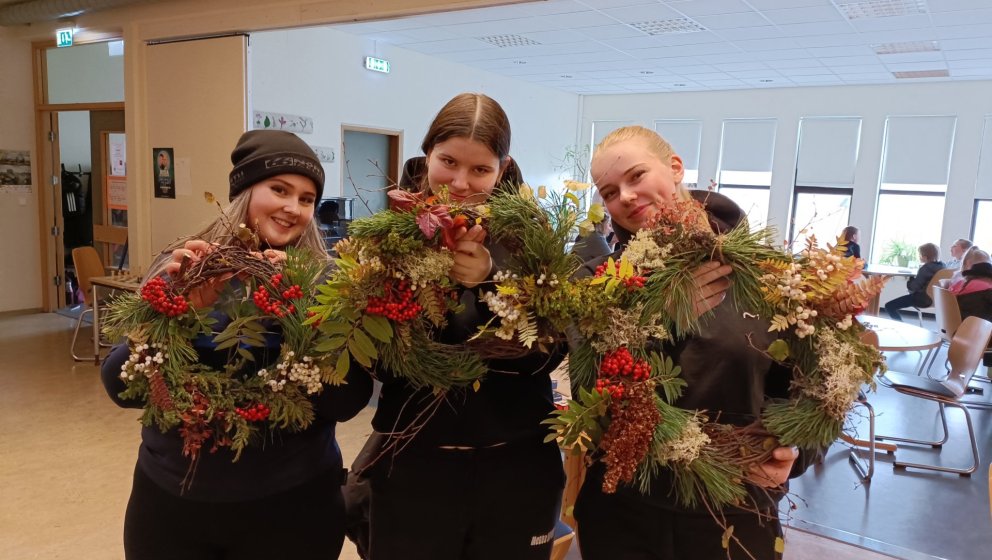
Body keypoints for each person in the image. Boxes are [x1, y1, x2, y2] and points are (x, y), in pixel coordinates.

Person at [101, 130, 373, 560]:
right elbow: (120, 387)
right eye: (279, 189)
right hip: (173, 505)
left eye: (306, 198)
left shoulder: (326, 283)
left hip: (293, 507)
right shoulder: (184, 268)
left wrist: (298, 315)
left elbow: (347, 400)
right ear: (244, 191)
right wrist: (178, 311)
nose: (293, 207)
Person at [572, 126, 816, 560]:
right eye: (609, 192)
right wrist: (657, 315)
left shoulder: (768, 278)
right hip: (625, 512)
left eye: (636, 175)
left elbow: (807, 388)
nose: (625, 196)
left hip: (735, 512)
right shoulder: (598, 285)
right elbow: (589, 398)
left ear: (676, 167)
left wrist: (796, 452)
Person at [366, 93, 565, 560]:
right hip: (414, 465)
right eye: (448, 161)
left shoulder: (531, 241)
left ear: (503, 168)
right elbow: (377, 359)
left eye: (480, 169)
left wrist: (489, 281)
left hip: (513, 467)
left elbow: (549, 353)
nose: (460, 183)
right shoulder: (388, 237)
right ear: (427, 153)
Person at [883, 243, 945, 322]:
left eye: (920, 255)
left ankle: (901, 326)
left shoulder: (926, 268)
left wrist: (910, 279)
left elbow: (913, 287)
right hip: (936, 299)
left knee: (889, 306)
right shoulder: (943, 267)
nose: (919, 257)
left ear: (925, 257)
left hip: (922, 299)